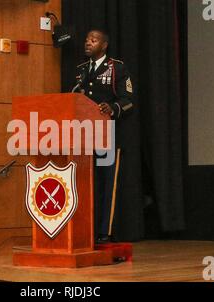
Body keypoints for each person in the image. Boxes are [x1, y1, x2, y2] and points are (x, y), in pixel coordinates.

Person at [73, 29, 135, 243]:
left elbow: (129, 100)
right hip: (85, 137)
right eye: (87, 39)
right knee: (87, 183)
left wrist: (112, 108)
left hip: (109, 135)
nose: (88, 42)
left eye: (94, 39)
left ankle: (104, 231)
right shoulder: (81, 70)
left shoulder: (116, 67)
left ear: (104, 44)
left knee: (108, 184)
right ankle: (86, 228)